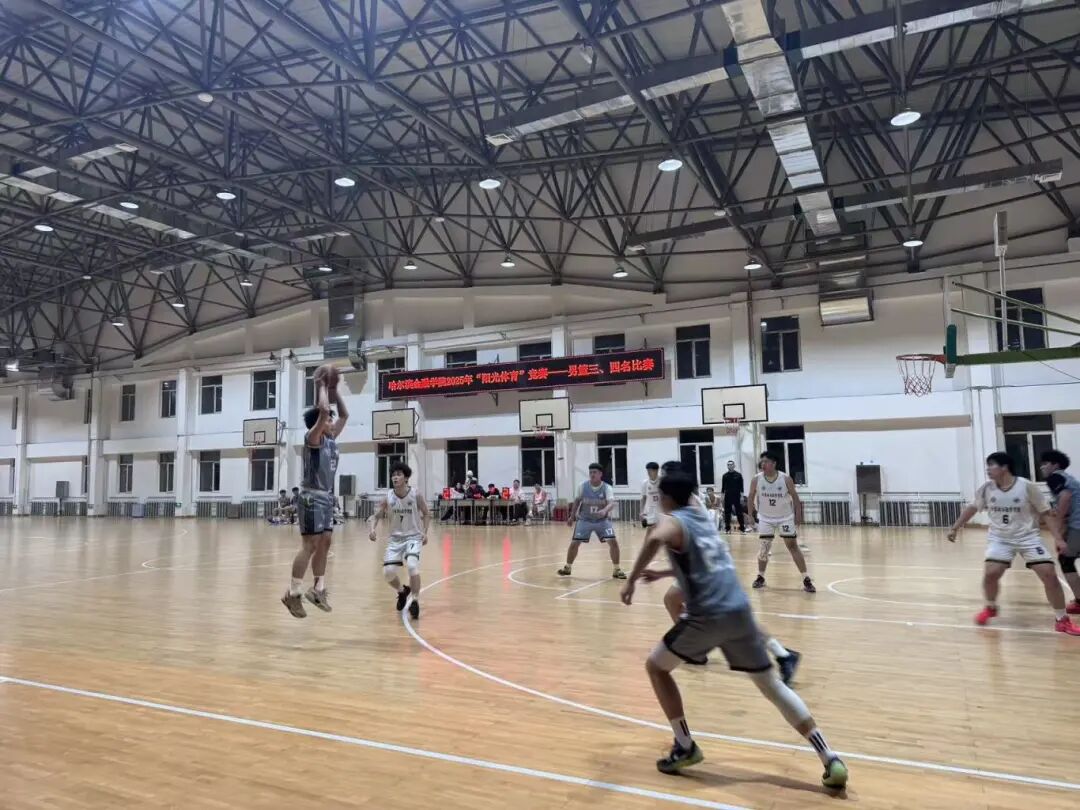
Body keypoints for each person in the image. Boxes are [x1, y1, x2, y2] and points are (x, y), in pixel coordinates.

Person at [619, 467, 848, 787]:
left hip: (707, 615)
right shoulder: (703, 518)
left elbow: (656, 537)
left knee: (656, 668)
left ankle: (685, 745)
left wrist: (631, 580)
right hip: (739, 610)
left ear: (665, 498)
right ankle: (830, 758)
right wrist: (663, 573)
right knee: (773, 686)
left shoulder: (672, 520)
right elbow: (702, 561)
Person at [653, 460, 800, 684]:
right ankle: (782, 654)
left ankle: (696, 649)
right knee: (684, 603)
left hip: (706, 566)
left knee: (698, 609)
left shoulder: (686, 504)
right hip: (709, 561)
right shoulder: (686, 501)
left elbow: (681, 540)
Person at [949, 451, 1080, 634]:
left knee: (1049, 574)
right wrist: (955, 527)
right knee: (991, 573)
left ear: (1004, 467)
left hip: (1028, 538)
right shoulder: (986, 488)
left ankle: (1062, 619)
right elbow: (972, 508)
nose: (988, 469)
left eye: (991, 465)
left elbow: (1045, 513)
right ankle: (990, 607)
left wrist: (1058, 538)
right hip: (1000, 539)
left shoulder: (1026, 486)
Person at [281, 369, 347, 618]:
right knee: (309, 545)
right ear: (319, 422)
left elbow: (344, 415)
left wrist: (334, 391)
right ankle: (293, 593)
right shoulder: (313, 437)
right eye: (328, 420)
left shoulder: (331, 439)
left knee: (325, 543)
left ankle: (318, 589)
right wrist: (320, 384)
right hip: (311, 497)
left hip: (327, 497)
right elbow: (324, 411)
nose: (332, 422)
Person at [370, 461, 431, 619]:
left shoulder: (415, 494)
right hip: (395, 540)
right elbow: (376, 515)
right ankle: (402, 591)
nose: (395, 477)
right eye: (393, 475)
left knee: (412, 566)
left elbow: (426, 513)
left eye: (398, 474)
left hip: (413, 537)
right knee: (388, 573)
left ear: (406, 478)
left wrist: (425, 533)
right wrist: (372, 529)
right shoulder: (388, 496)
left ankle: (415, 600)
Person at [749, 452, 814, 593]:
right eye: (762, 462)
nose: (763, 464)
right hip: (765, 518)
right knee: (764, 547)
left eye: (766, 461)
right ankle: (760, 576)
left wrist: (798, 515)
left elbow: (795, 498)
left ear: (774, 463)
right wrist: (750, 515)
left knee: (792, 546)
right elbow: (750, 496)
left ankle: (806, 578)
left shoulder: (785, 479)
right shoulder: (756, 479)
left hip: (785, 517)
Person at [558, 463, 625, 579]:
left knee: (613, 542)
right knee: (574, 543)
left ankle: (617, 569)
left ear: (600, 474)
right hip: (585, 520)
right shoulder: (582, 486)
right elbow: (577, 502)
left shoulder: (607, 488)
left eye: (594, 472)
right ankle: (567, 568)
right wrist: (571, 516)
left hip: (601, 520)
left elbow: (611, 503)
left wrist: (604, 510)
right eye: (590, 472)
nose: (592, 474)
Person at [1040, 449, 1080, 613]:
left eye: (1045, 464)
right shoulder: (1068, 478)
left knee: (1066, 560)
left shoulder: (1055, 477)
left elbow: (1065, 497)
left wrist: (1058, 530)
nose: (1042, 467)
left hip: (1077, 525)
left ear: (1055, 465)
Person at [720, 460, 747, 533]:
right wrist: (722, 497)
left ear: (734, 466)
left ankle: (742, 528)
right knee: (727, 513)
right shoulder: (725, 476)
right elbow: (723, 487)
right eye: (728, 464)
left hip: (737, 496)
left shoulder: (738, 475)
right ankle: (727, 529)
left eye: (731, 464)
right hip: (728, 496)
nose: (730, 466)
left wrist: (742, 497)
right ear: (727, 466)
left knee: (739, 512)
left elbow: (741, 487)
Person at [640, 462, 660, 529]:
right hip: (650, 512)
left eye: (650, 471)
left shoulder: (662, 481)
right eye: (648, 471)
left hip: (661, 512)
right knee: (651, 531)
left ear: (656, 471)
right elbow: (643, 498)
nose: (648, 473)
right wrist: (641, 512)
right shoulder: (645, 483)